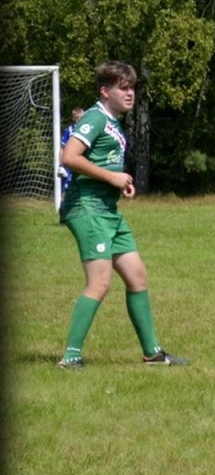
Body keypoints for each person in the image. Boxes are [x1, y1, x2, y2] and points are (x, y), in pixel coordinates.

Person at [57, 61, 187, 368]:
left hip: (107, 210)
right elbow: (69, 157)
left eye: (132, 88)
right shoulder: (95, 118)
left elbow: (103, 164)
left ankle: (152, 354)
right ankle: (70, 357)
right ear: (105, 91)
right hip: (87, 208)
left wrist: (120, 182)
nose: (130, 94)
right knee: (99, 282)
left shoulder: (112, 122)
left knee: (137, 276)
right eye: (123, 88)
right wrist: (111, 177)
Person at [58, 106, 85, 191]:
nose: (80, 119)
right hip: (70, 167)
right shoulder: (69, 130)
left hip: (83, 165)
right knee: (66, 191)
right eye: (78, 117)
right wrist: (61, 166)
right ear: (74, 119)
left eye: (82, 117)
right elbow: (62, 148)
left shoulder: (88, 130)